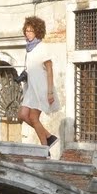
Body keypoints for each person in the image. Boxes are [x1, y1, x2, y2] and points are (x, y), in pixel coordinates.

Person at [17, 15, 57, 148]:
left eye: (30, 31)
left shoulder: (42, 47)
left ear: (37, 31)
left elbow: (50, 70)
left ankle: (45, 148)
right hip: (31, 88)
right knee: (22, 115)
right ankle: (49, 137)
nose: (27, 33)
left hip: (41, 88)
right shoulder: (29, 48)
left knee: (34, 118)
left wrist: (50, 92)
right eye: (26, 31)